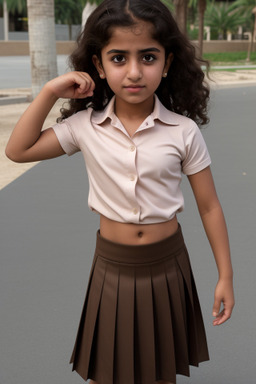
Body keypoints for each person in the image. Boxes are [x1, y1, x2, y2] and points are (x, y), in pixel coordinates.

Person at [5, 1, 234, 384]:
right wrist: (50, 91)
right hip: (112, 267)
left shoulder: (182, 131)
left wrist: (225, 275)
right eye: (117, 58)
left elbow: (209, 207)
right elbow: (19, 150)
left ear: (167, 62)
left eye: (147, 57)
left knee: (161, 374)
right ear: (98, 65)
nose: (133, 71)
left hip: (168, 267)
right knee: (106, 374)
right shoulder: (84, 126)